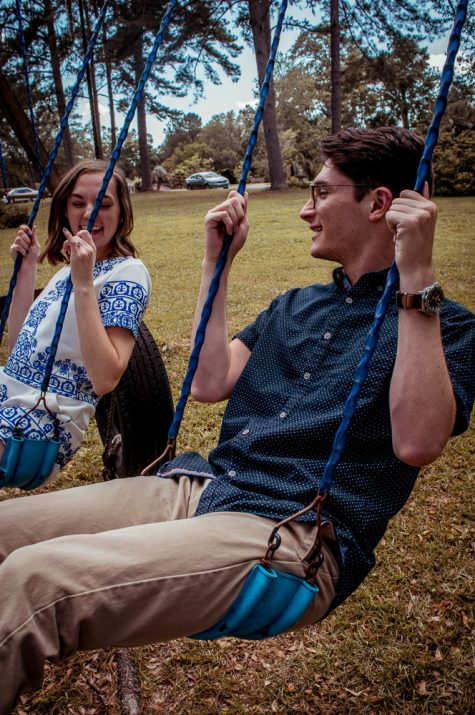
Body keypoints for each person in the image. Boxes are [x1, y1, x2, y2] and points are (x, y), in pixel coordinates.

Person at [0, 128, 474, 713]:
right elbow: (208, 381)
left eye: (320, 193)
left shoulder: (444, 326)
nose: (305, 210)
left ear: (378, 203)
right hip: (206, 488)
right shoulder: (293, 307)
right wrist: (215, 262)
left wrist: (416, 281)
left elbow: (418, 441)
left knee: (36, 580)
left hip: (293, 534)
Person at [0, 159, 151, 484]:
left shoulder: (128, 273)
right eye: (78, 203)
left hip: (38, 426)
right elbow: (20, 353)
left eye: (104, 204)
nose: (90, 213)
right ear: (64, 212)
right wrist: (27, 270)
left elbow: (106, 379)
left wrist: (83, 284)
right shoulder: (65, 272)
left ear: (122, 212)